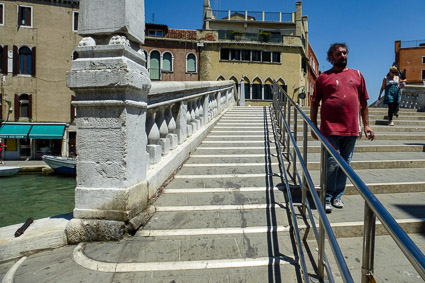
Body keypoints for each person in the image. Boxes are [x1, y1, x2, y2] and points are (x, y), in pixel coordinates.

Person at [310, 43, 375, 213]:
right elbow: (315, 102)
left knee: (345, 165)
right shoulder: (323, 78)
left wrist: (366, 124)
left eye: (345, 53)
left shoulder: (357, 75)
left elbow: (364, 103)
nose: (343, 56)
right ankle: (326, 196)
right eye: (338, 54)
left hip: (351, 129)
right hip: (330, 129)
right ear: (330, 57)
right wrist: (313, 125)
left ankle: (337, 195)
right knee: (331, 164)